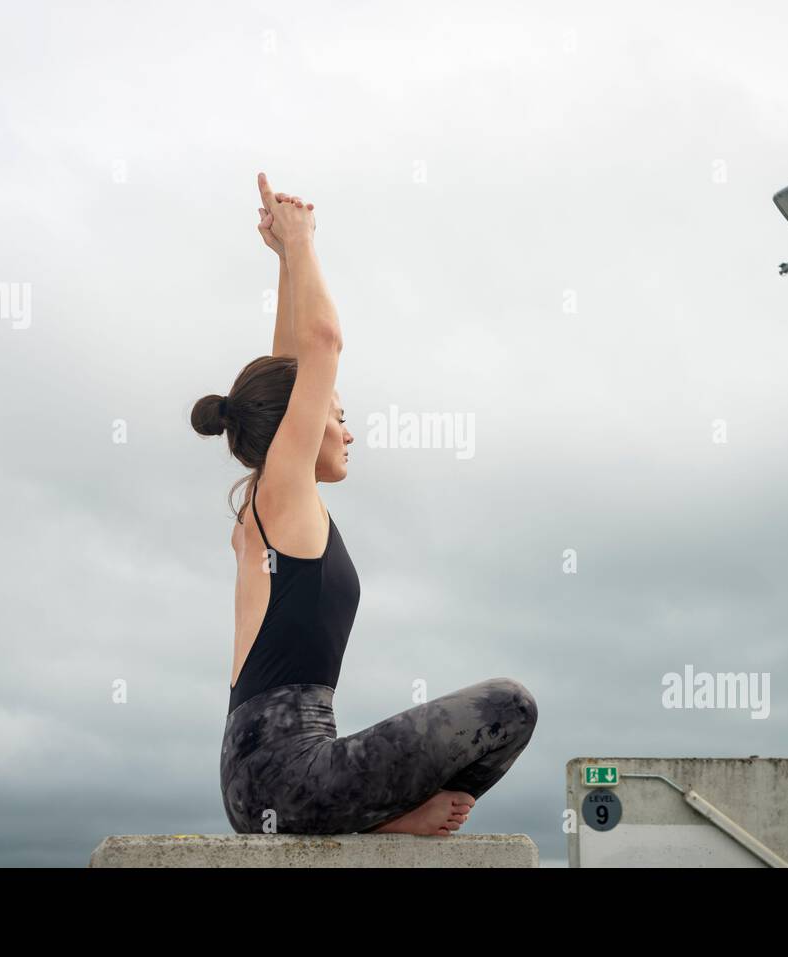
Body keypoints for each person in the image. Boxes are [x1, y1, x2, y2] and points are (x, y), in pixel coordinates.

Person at [190, 173, 537, 836]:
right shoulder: (280, 495)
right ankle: (392, 822)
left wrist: (285, 262)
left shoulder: (269, 506)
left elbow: (290, 362)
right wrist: (306, 238)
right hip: (287, 772)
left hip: (263, 778)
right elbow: (319, 345)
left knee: (506, 708)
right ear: (302, 420)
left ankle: (385, 820)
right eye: (337, 414)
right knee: (510, 706)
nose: (347, 429)